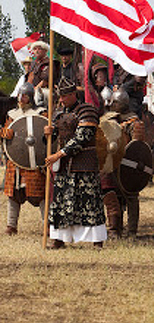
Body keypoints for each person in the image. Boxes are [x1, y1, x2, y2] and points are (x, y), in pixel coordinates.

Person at [44, 77, 106, 248]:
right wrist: (49, 133)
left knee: (88, 202)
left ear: (73, 94)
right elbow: (55, 136)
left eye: (64, 96)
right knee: (62, 202)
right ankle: (59, 238)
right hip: (65, 167)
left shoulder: (87, 110)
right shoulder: (59, 112)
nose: (61, 100)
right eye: (60, 97)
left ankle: (96, 240)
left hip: (84, 163)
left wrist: (59, 154)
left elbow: (82, 137)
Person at [1, 83, 47, 235]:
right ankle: (11, 225)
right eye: (20, 96)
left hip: (34, 162)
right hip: (15, 161)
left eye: (25, 95)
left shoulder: (40, 113)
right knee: (13, 194)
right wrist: (4, 133)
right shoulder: (12, 114)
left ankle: (46, 225)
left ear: (31, 97)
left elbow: (47, 134)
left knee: (40, 193)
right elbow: (5, 132)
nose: (21, 99)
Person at [99, 89, 145, 238]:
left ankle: (132, 231)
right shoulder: (110, 119)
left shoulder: (134, 122)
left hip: (128, 165)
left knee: (131, 197)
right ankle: (116, 229)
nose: (113, 105)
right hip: (112, 164)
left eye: (115, 102)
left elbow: (137, 148)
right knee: (115, 195)